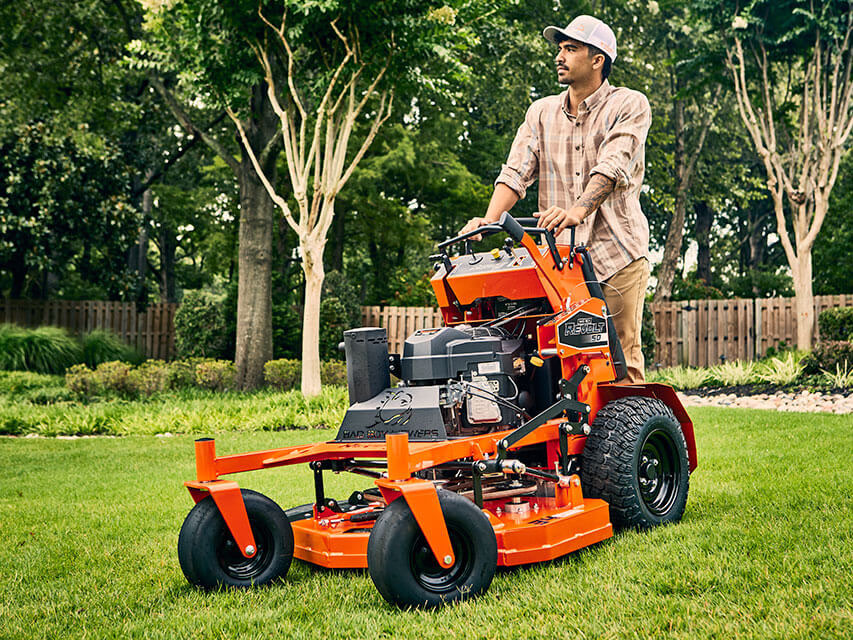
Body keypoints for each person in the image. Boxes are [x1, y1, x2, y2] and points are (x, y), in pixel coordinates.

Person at [460, 15, 652, 383]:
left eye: (571, 49)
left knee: (619, 360)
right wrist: (488, 221)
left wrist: (578, 210)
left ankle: (629, 437)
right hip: (560, 262)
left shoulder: (629, 105)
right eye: (560, 49)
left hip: (617, 254)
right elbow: (515, 174)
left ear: (598, 60)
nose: (559, 57)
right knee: (556, 361)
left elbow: (613, 167)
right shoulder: (542, 112)